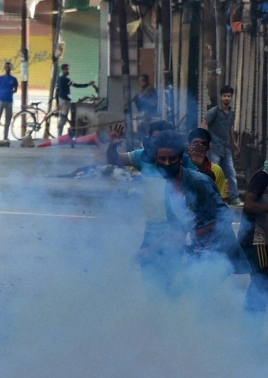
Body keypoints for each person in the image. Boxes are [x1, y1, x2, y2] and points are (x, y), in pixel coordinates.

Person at [151, 130, 248, 287]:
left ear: (181, 159)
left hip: (218, 254)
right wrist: (149, 251)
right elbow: (177, 230)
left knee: (188, 295)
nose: (167, 164)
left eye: (172, 158)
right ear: (156, 159)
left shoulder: (198, 183)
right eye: (163, 159)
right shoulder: (168, 188)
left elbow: (225, 218)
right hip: (197, 254)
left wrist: (194, 234)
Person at [105, 121, 193, 290]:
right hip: (151, 231)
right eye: (156, 138)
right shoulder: (142, 157)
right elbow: (114, 159)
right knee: (150, 285)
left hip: (173, 232)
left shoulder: (183, 162)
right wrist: (112, 146)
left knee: (168, 284)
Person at [238, 150, 268, 313]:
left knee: (260, 280)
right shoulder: (263, 176)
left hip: (259, 237)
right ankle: (253, 320)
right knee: (262, 281)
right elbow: (249, 204)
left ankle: (251, 319)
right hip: (254, 238)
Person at [200, 86, 241, 205]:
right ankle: (213, 196)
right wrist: (206, 140)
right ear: (221, 97)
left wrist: (234, 142)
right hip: (215, 147)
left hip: (226, 147)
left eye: (228, 96)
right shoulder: (214, 111)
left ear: (231, 97)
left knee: (231, 173)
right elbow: (204, 123)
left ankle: (234, 197)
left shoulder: (232, 112)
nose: (226, 98)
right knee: (214, 172)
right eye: (224, 96)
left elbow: (230, 128)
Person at [186, 128, 229, 201]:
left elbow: (222, 200)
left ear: (209, 147)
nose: (199, 147)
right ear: (189, 145)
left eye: (203, 144)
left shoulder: (216, 170)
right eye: (196, 143)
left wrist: (201, 166)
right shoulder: (181, 164)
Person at [54, 64, 95, 137]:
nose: (68, 71)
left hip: (61, 101)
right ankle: (59, 136)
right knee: (63, 119)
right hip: (65, 101)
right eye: (67, 69)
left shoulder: (59, 79)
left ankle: (60, 135)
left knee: (63, 118)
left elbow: (57, 91)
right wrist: (88, 84)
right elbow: (76, 85)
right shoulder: (65, 80)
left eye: (68, 69)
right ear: (63, 70)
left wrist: (57, 103)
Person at [0, 62, 18, 140]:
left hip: (9, 101)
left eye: (9, 67)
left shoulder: (14, 79)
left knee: (8, 118)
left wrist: (10, 92)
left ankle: (5, 136)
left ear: (11, 68)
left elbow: (15, 89)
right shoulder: (1, 78)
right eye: (6, 67)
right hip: (1, 99)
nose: (7, 69)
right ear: (4, 68)